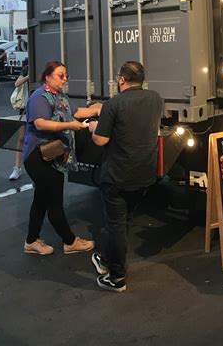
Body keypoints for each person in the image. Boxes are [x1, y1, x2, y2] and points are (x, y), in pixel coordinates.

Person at [89, 61, 162, 292]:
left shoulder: (114, 103)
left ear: (121, 79)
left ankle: (116, 277)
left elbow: (101, 140)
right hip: (144, 174)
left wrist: (93, 127)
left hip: (117, 176)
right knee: (124, 221)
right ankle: (107, 260)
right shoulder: (155, 99)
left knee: (116, 225)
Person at [22, 60, 102, 255]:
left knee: (41, 199)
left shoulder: (61, 96)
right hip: (38, 156)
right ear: (47, 77)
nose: (65, 79)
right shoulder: (39, 97)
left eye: (66, 75)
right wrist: (70, 126)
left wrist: (96, 109)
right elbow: (40, 123)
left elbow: (76, 112)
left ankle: (31, 241)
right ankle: (70, 241)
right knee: (53, 200)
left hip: (53, 156)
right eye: (61, 75)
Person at [9, 59, 29, 180]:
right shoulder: (26, 67)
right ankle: (17, 168)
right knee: (21, 138)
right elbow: (17, 83)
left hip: (40, 107)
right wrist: (28, 77)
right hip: (25, 108)